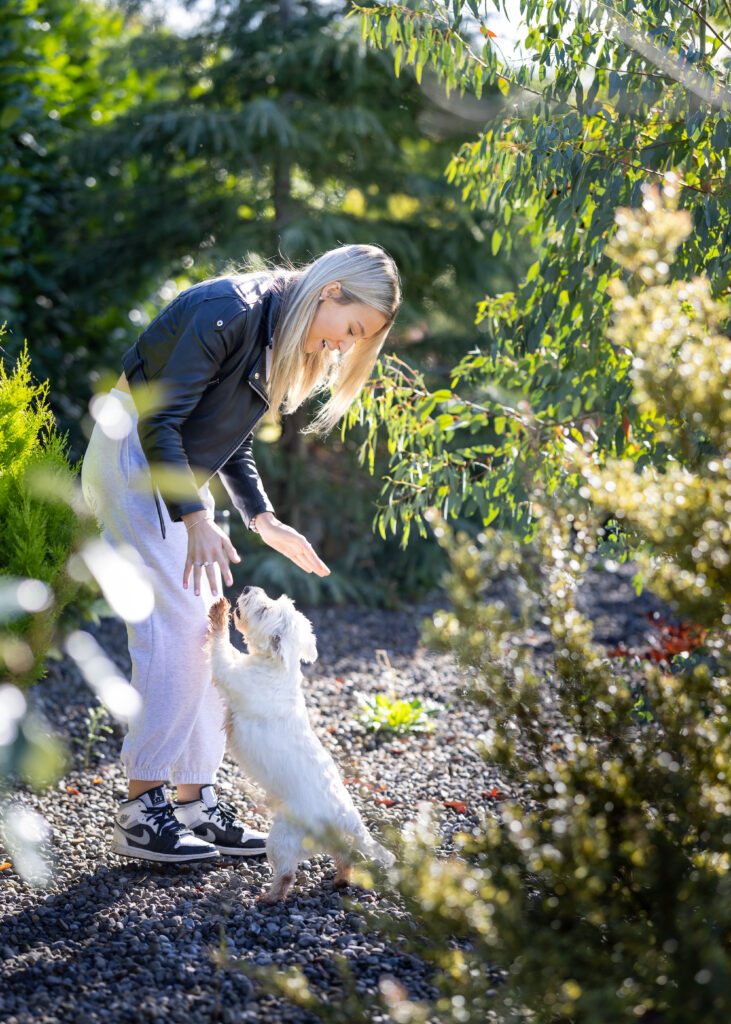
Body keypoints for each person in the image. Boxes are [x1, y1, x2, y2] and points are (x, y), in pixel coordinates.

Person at [81, 244, 401, 863]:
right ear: (332, 291)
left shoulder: (273, 331)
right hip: (134, 460)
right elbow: (162, 422)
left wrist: (264, 519)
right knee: (174, 632)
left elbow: (230, 439)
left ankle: (192, 801)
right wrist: (197, 516)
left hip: (175, 473)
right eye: (351, 329)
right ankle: (142, 810)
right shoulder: (229, 311)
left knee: (209, 629)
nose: (341, 347)